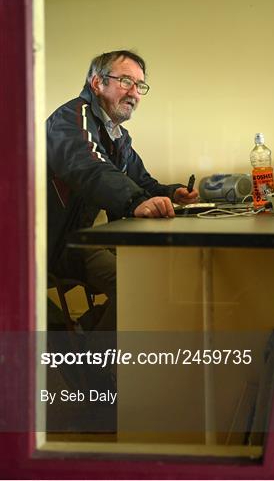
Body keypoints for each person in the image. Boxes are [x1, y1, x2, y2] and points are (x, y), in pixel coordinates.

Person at [47, 50, 198, 332]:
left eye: (140, 86)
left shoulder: (118, 136)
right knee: (142, 286)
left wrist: (172, 192)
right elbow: (90, 167)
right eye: (126, 81)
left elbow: (141, 181)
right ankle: (93, 365)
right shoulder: (72, 118)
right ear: (97, 83)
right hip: (64, 245)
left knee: (164, 275)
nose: (134, 93)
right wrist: (136, 201)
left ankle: (92, 329)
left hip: (93, 238)